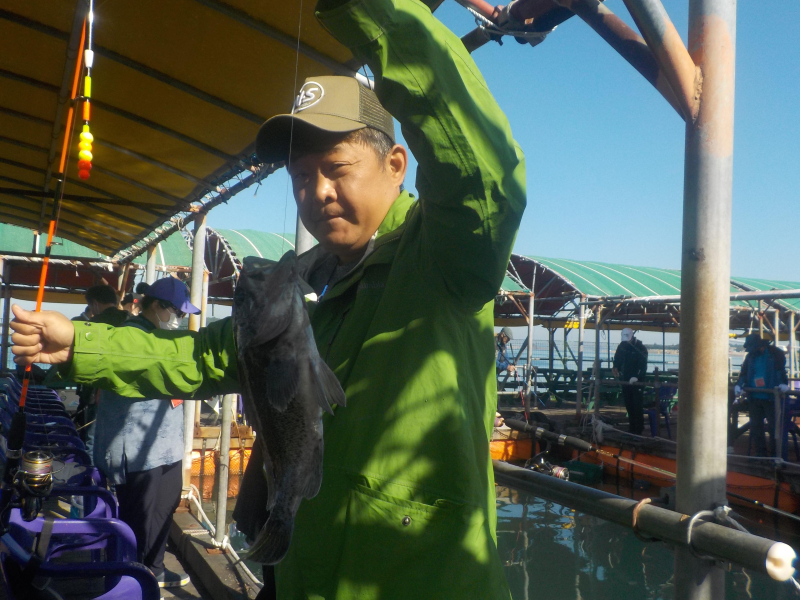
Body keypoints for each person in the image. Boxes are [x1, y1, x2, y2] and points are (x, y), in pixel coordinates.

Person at [10, 0, 526, 596]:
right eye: (301, 177)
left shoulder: (446, 255)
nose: (317, 192)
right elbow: (198, 356)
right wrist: (78, 342)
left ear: (395, 164)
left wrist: (365, 9)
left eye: (336, 168)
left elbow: (480, 173)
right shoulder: (305, 285)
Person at [89, 277, 198, 588]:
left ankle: (155, 568)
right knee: (139, 516)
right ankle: (131, 579)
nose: (180, 318)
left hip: (168, 445)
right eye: (177, 311)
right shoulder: (131, 335)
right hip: (137, 447)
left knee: (165, 507)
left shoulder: (163, 337)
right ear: (156, 306)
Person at [75, 286, 130, 458]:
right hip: (124, 390)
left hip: (97, 391)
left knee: (91, 438)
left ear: (95, 304)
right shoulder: (129, 321)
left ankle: (91, 472)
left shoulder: (93, 324)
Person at [734, 333, 789, 457]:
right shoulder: (750, 357)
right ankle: (761, 455)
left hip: (771, 398)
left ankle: (775, 456)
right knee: (756, 428)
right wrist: (739, 385)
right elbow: (744, 373)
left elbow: (781, 371)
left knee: (774, 429)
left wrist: (783, 384)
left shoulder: (775, 354)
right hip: (754, 397)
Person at [612, 328, 648, 435]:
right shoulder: (621, 346)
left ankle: (639, 428)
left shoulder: (640, 348)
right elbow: (617, 359)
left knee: (637, 405)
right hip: (625, 380)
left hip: (637, 382)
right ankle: (632, 427)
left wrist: (637, 376)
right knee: (628, 404)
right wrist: (615, 367)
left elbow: (643, 365)